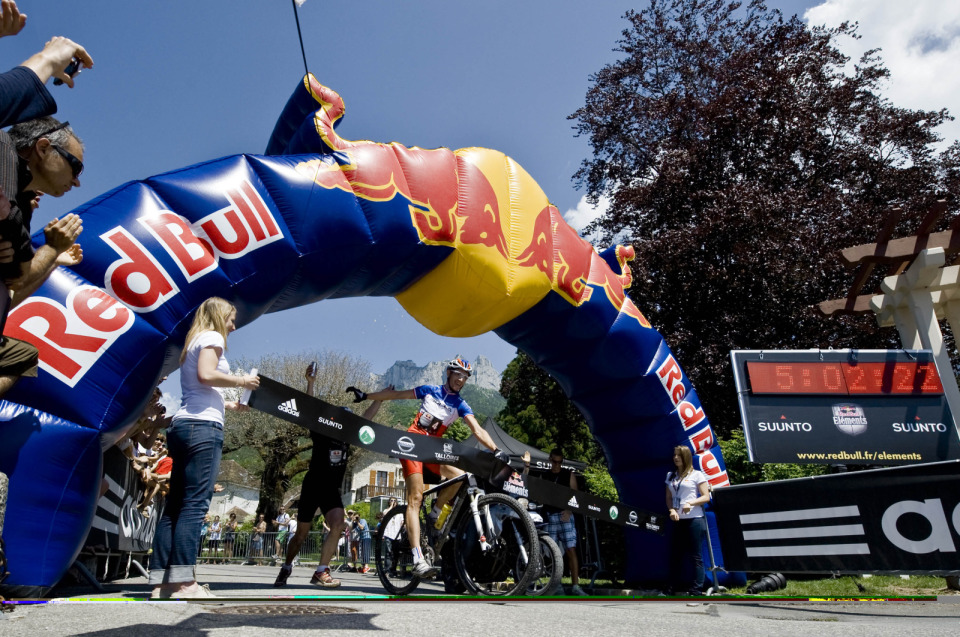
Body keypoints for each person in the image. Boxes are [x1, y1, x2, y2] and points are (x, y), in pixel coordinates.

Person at [347, 356, 505, 579]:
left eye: (465, 377)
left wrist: (497, 450)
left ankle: (434, 514)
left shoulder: (460, 404)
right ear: (448, 373)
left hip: (433, 451)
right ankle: (417, 559)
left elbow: (478, 430)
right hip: (412, 445)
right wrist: (366, 395)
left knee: (459, 476)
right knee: (416, 498)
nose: (461, 379)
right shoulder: (430, 390)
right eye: (458, 374)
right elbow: (397, 395)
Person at [147, 297, 260, 599]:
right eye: (231, 319)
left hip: (183, 424)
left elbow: (201, 387)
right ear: (219, 317)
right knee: (194, 505)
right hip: (203, 428)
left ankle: (160, 582)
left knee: (174, 506)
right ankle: (184, 583)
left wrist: (228, 404)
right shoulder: (212, 337)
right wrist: (243, 381)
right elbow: (206, 375)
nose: (233, 326)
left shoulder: (193, 342)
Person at [273, 365, 387, 588]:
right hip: (313, 485)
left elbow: (366, 418)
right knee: (300, 535)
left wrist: (381, 399)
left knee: (338, 524)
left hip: (331, 490)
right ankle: (286, 566)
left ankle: (321, 571)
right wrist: (311, 383)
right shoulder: (321, 432)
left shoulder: (349, 436)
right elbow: (308, 408)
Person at [665, 445, 710, 596]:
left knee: (696, 556)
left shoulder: (697, 475)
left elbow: (706, 496)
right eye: (674, 455)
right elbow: (668, 497)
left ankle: (696, 591)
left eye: (679, 455)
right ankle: (670, 589)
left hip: (694, 519)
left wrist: (691, 503)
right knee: (675, 555)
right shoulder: (671, 475)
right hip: (678, 520)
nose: (676, 458)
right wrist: (671, 510)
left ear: (686, 457)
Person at [542, 448, 588, 596]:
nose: (557, 465)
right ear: (550, 460)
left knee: (570, 549)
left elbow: (576, 496)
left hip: (565, 515)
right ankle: (557, 585)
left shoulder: (568, 474)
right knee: (552, 552)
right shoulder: (545, 475)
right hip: (551, 516)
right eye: (555, 462)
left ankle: (575, 586)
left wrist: (569, 510)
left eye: (560, 462)